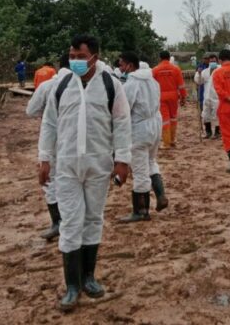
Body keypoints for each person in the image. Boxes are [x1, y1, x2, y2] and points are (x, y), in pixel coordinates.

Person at [38, 34, 132, 313]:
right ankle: (71, 286)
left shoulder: (110, 84)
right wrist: (44, 158)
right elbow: (49, 123)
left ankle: (89, 277)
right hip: (65, 165)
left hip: (98, 163)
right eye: (72, 56)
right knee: (70, 221)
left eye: (80, 56)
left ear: (94, 56)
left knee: (93, 218)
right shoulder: (62, 84)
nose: (75, 61)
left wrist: (123, 159)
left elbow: (122, 123)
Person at [116, 51, 169, 223]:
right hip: (155, 126)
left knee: (139, 171)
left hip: (140, 130)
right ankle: (161, 195)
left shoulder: (131, 84)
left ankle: (141, 211)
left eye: (121, 65)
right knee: (150, 162)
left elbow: (124, 110)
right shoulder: (152, 81)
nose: (120, 68)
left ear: (130, 66)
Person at [27, 54, 70, 241]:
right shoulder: (85, 85)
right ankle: (73, 221)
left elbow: (31, 110)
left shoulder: (46, 85)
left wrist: (46, 112)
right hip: (76, 140)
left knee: (51, 181)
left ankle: (58, 223)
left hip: (53, 139)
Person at [152, 50, 187, 147]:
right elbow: (181, 85)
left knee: (165, 119)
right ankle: (172, 139)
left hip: (161, 96)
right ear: (169, 57)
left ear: (160, 58)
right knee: (173, 118)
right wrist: (183, 97)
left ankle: (166, 143)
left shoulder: (155, 70)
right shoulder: (176, 69)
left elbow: (152, 85)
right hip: (174, 96)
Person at [195, 53, 221, 139]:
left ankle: (217, 132)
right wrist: (198, 73)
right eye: (211, 61)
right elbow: (199, 82)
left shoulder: (221, 69)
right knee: (206, 115)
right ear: (208, 61)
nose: (212, 62)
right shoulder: (204, 71)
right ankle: (208, 132)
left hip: (217, 97)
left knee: (216, 115)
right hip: (207, 97)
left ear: (217, 61)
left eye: (214, 61)